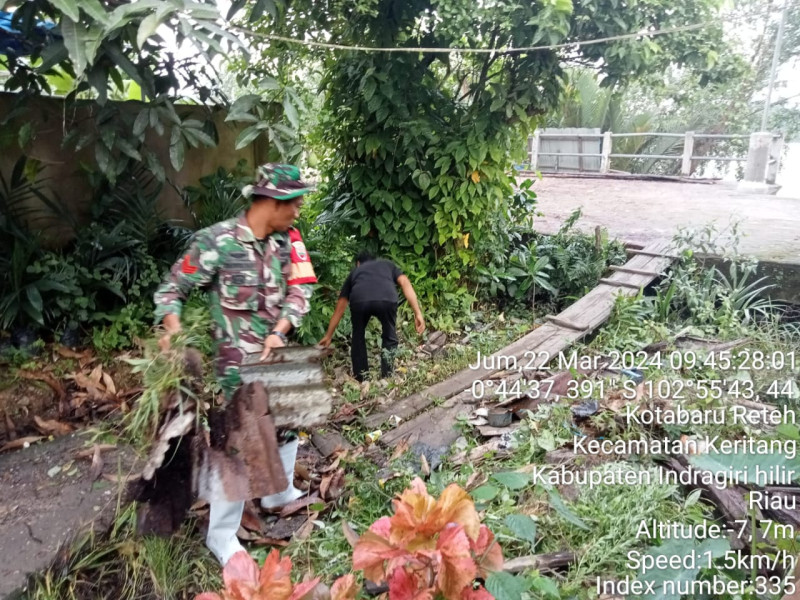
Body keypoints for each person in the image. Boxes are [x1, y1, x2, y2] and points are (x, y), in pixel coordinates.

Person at [153, 163, 317, 566]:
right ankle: (222, 535)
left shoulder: (288, 243)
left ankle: (278, 494)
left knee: (286, 422)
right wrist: (173, 330)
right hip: (235, 366)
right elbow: (172, 288)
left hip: (276, 355)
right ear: (272, 201)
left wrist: (280, 330)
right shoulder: (218, 242)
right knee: (237, 446)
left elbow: (300, 292)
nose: (298, 210)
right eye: (294, 203)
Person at [318, 251, 425, 381]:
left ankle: (362, 377)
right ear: (375, 260)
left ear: (358, 264)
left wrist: (328, 335)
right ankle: (387, 375)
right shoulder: (387, 265)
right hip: (387, 298)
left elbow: (340, 306)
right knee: (389, 334)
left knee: (358, 336)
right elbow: (404, 281)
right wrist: (418, 313)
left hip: (360, 300)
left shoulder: (355, 272)